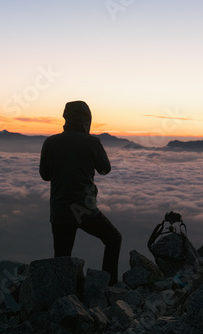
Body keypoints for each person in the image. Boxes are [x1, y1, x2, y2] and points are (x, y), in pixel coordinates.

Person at [39, 100, 122, 285]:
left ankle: (60, 298)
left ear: (66, 119)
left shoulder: (50, 142)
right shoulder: (92, 142)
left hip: (59, 210)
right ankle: (109, 287)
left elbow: (45, 175)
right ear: (87, 120)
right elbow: (105, 169)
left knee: (62, 258)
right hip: (85, 209)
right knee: (113, 239)